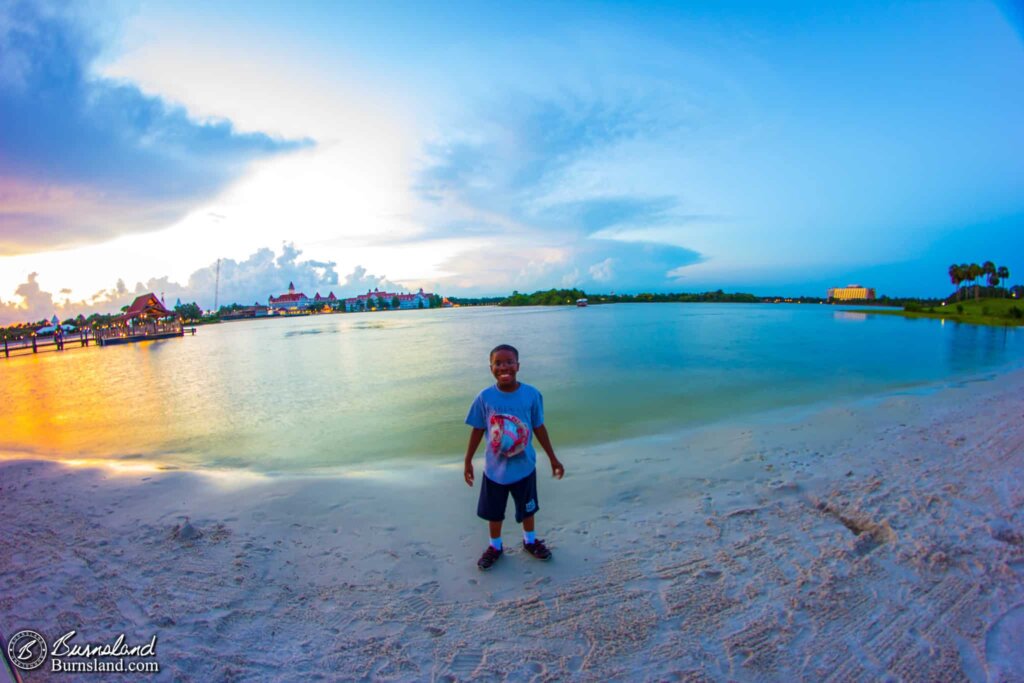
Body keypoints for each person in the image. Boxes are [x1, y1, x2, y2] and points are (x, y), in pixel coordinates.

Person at [464, 344, 564, 570]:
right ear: (491, 368)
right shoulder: (485, 397)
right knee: (494, 513)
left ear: (518, 366)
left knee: (528, 508)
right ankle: (495, 546)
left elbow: (539, 427)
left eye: (509, 362)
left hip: (524, 467)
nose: (504, 367)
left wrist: (552, 458)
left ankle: (530, 541)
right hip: (494, 470)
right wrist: (468, 460)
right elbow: (478, 429)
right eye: (498, 363)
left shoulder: (531, 394)